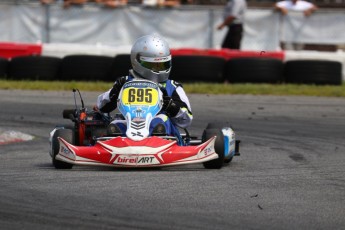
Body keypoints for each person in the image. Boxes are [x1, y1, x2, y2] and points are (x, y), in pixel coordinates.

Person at [95, 34, 193, 136]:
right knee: (116, 124)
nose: (159, 69)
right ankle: (118, 143)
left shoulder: (172, 87)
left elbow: (186, 120)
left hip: (163, 134)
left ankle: (157, 134)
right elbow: (101, 106)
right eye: (154, 65)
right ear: (137, 61)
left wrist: (172, 107)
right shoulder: (125, 82)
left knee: (160, 120)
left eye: (163, 65)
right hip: (129, 125)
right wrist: (114, 93)